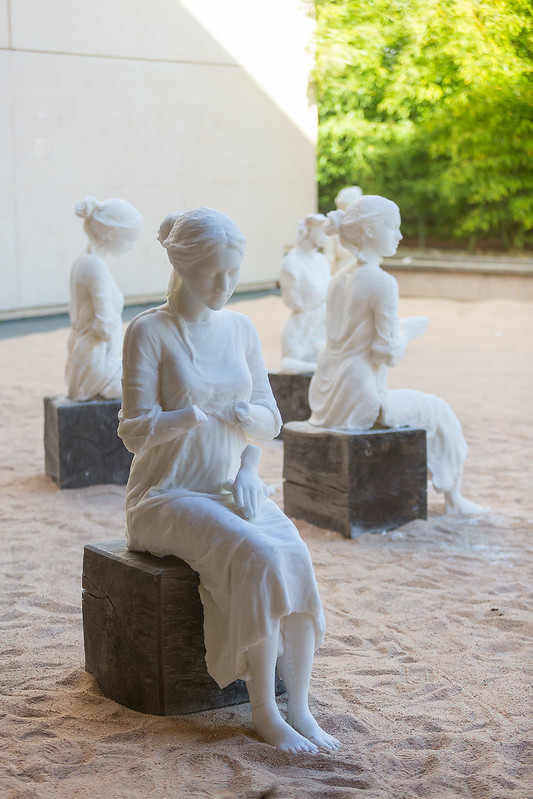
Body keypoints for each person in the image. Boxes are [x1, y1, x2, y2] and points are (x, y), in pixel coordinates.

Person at [118, 207, 339, 753]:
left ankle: (301, 707)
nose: (225, 285)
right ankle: (264, 711)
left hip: (229, 483)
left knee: (294, 557)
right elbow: (133, 433)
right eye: (213, 273)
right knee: (257, 558)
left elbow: (268, 417)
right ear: (184, 268)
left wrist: (246, 466)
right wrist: (190, 414)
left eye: (233, 273)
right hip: (165, 495)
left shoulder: (239, 328)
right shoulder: (149, 332)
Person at [309, 195, 483, 515]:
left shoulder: (338, 279)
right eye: (395, 228)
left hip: (326, 394)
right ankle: (454, 498)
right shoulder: (383, 282)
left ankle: (452, 494)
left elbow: (342, 338)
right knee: (439, 411)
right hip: (361, 399)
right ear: (372, 231)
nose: (400, 236)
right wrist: (409, 332)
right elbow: (388, 353)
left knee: (429, 409)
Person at [65, 196, 143, 401]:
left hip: (97, 355)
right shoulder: (94, 266)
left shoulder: (88, 262)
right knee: (145, 383)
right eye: (129, 239)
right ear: (110, 234)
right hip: (95, 362)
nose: (131, 245)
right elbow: (104, 324)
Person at [279, 214, 331, 374]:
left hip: (322, 325)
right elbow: (295, 302)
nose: (326, 235)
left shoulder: (322, 261)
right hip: (301, 330)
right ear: (308, 231)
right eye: (321, 230)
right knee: (291, 363)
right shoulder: (292, 263)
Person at [324, 185, 363, 274]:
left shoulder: (362, 226)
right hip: (342, 273)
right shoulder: (335, 228)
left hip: (361, 273)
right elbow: (329, 256)